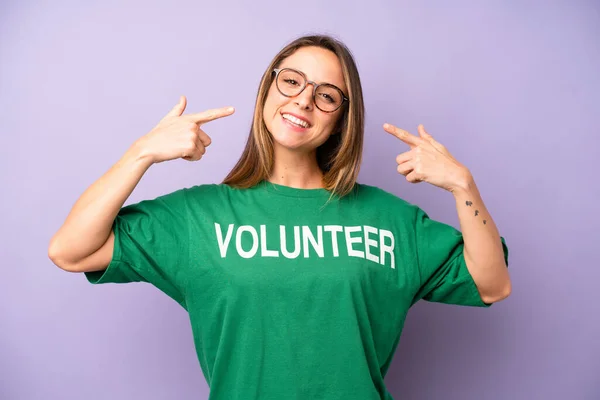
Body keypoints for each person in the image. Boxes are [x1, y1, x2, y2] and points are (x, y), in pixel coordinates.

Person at [48, 34, 511, 399]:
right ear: (269, 87)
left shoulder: (389, 219)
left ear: (342, 118)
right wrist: (141, 153)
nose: (304, 100)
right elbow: (71, 251)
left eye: (327, 94)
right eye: (292, 81)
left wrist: (462, 186)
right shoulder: (199, 215)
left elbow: (493, 283)